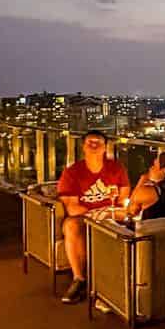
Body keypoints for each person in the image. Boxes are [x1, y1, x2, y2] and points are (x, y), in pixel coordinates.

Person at [54, 130, 131, 304]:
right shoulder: (72, 172)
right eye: (90, 142)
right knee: (71, 226)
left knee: (132, 221)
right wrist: (95, 214)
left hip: (111, 213)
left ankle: (120, 278)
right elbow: (72, 208)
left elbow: (123, 198)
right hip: (84, 217)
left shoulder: (116, 168)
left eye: (98, 142)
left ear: (105, 147)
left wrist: (111, 212)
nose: (94, 145)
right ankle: (79, 279)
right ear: (83, 147)